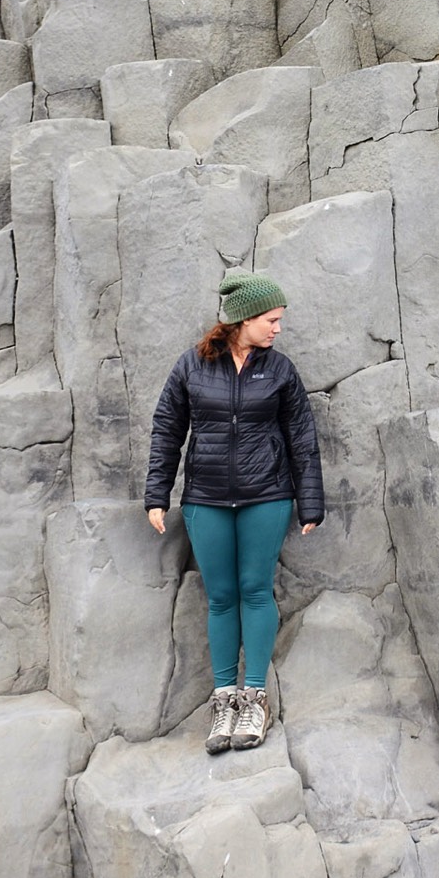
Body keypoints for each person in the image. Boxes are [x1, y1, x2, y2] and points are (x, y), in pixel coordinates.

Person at [145, 269, 324, 755]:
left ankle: (255, 699)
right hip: (205, 498)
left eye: (279, 320)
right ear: (242, 319)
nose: (277, 328)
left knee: (254, 590)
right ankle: (224, 699)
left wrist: (310, 501)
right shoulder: (191, 367)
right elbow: (167, 430)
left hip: (267, 495)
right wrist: (157, 494)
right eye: (271, 319)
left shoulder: (280, 370)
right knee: (220, 596)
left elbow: (302, 439)